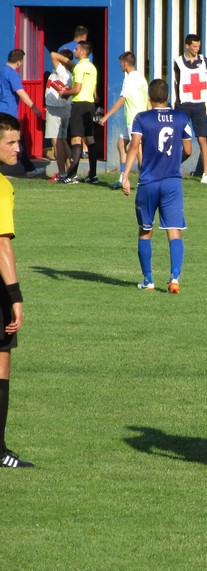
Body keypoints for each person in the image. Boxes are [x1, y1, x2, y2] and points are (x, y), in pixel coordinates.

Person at [121, 79, 192, 294]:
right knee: (174, 230)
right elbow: (188, 150)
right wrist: (173, 163)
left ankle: (148, 280)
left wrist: (125, 176)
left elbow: (134, 147)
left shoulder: (141, 118)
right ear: (168, 97)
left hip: (149, 182)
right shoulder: (181, 118)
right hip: (172, 182)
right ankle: (175, 277)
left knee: (145, 230)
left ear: (149, 98)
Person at [0, 114, 32, 468]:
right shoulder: (2, 186)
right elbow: (2, 245)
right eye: (10, 142)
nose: (18, 148)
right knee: (1, 363)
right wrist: (15, 297)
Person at [98, 52, 149, 190]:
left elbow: (122, 99)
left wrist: (106, 117)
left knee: (138, 149)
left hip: (135, 119)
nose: (120, 65)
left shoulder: (129, 79)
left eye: (121, 63)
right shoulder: (141, 78)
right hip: (141, 117)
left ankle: (145, 180)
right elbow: (148, 99)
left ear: (125, 63)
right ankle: (122, 178)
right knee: (121, 143)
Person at [55, 41, 98, 184]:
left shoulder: (79, 67)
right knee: (90, 138)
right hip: (90, 104)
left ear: (83, 52)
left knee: (75, 139)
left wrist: (65, 93)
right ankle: (93, 175)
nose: (75, 51)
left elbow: (77, 89)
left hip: (79, 104)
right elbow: (94, 91)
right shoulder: (92, 67)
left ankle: (71, 175)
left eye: (77, 49)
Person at [0, 49, 45, 177]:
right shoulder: (12, 74)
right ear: (19, 62)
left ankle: (29, 168)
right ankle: (29, 168)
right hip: (9, 113)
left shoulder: (1, 71)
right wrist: (34, 108)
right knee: (18, 140)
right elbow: (21, 92)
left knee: (18, 140)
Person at [173, 34, 207, 184]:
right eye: (194, 46)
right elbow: (176, 83)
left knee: (202, 138)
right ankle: (172, 167)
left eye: (198, 46)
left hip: (199, 104)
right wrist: (177, 102)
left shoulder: (204, 60)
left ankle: (206, 173)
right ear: (187, 46)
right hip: (183, 104)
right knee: (178, 138)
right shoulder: (178, 62)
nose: (197, 49)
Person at [45, 50, 73, 181]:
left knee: (56, 141)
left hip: (57, 109)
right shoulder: (59, 73)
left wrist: (66, 62)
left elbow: (53, 54)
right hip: (59, 108)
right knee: (62, 140)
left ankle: (62, 173)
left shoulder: (63, 72)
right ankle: (70, 171)